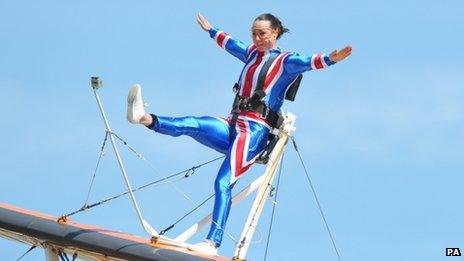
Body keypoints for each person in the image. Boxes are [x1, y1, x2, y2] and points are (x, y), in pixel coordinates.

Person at [126, 13, 352, 255]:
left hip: (255, 132)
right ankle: (144, 118)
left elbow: (312, 61)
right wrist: (212, 31)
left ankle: (212, 242)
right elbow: (231, 44)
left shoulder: (286, 61)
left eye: (262, 34)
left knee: (222, 181)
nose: (256, 38)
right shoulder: (252, 53)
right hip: (232, 124)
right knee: (194, 123)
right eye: (253, 33)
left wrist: (333, 58)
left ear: (275, 33)